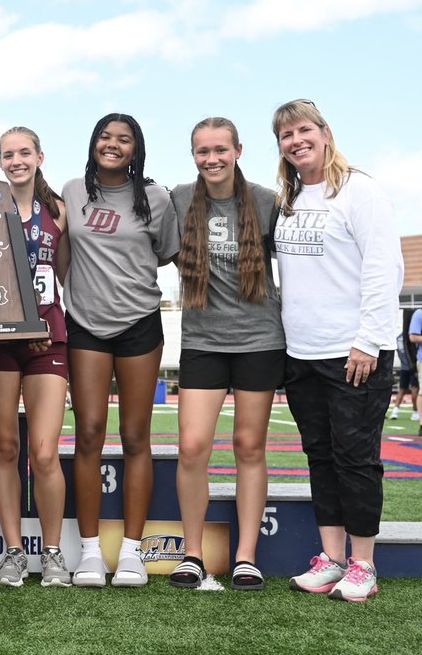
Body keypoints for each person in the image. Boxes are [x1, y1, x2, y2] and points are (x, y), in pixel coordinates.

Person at [272, 99, 403, 602]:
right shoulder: (289, 198)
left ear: (325, 132)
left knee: (355, 459)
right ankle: (331, 558)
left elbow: (383, 268)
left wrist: (369, 339)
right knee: (320, 456)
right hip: (302, 352)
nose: (296, 141)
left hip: (353, 352)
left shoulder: (359, 191)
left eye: (304, 130)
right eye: (286, 135)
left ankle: (363, 564)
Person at [61, 112, 178, 589]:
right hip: (85, 324)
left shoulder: (157, 198)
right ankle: (90, 552)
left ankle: (132, 552)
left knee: (135, 436)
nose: (113, 144)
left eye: (124, 139)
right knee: (88, 432)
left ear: (136, 149)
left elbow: (167, 253)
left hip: (138, 323)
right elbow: (61, 249)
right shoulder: (73, 191)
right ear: (93, 143)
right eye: (105, 137)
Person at [168, 118, 284, 591]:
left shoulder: (266, 200)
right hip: (203, 340)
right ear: (193, 155)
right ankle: (192, 553)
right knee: (193, 446)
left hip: (260, 339)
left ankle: (246, 556)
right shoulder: (179, 199)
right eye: (203, 151)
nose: (212, 158)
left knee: (249, 447)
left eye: (220, 149)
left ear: (238, 150)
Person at [0, 126, 71, 588]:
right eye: (8, 155)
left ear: (40, 156)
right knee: (4, 447)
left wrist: (43, 322)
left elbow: (62, 272)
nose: (16, 161)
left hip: (48, 342)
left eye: (24, 153)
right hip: (0, 341)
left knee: (43, 451)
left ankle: (53, 552)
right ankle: (15, 551)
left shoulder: (58, 209)